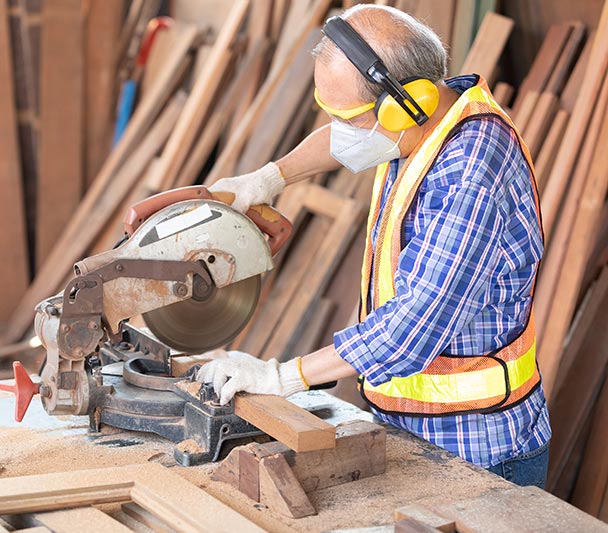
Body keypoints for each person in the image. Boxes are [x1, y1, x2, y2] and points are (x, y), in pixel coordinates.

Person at [197, 4, 551, 488]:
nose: (343, 133)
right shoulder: (417, 122)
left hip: (476, 449)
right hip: (406, 428)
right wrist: (268, 178)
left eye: (350, 119)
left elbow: (411, 329)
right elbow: (343, 137)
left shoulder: (472, 172)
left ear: (408, 103)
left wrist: (280, 379)